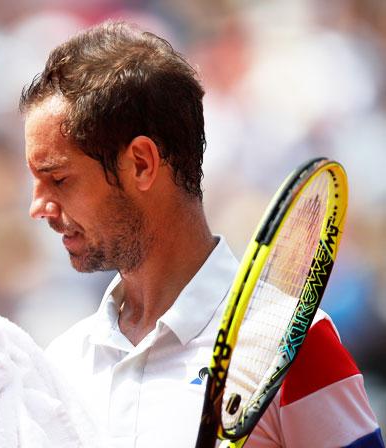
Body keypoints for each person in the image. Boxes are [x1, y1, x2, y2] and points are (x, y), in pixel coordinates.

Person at [20, 21, 383, 447]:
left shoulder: (293, 345)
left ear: (141, 164)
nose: (37, 207)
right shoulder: (61, 363)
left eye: (59, 179)